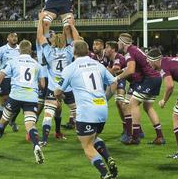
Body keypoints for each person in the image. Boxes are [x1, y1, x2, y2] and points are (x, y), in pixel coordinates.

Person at [54, 40, 119, 179]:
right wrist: (105, 99)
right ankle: (109, 159)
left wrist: (62, 97)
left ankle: (104, 173)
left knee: (87, 145)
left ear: (73, 52)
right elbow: (114, 82)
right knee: (93, 137)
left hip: (86, 111)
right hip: (102, 109)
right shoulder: (98, 65)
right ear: (87, 50)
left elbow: (57, 92)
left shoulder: (71, 68)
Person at [0, 40, 47, 164]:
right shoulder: (36, 64)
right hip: (31, 98)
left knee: (2, 122)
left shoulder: (13, 61)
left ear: (19, 50)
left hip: (15, 97)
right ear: (30, 51)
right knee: (30, 125)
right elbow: (43, 85)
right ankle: (36, 146)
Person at [113, 33, 165, 145]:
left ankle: (135, 136)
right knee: (148, 107)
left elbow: (131, 70)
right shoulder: (135, 49)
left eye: (118, 41)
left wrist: (117, 77)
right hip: (155, 78)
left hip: (148, 80)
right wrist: (123, 71)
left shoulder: (130, 52)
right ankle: (159, 136)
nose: (117, 43)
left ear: (122, 42)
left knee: (132, 104)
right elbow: (134, 67)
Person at [36, 13, 76, 145]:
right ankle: (87, 135)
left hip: (53, 88)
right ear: (64, 41)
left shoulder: (48, 52)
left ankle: (44, 140)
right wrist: (71, 25)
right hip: (68, 88)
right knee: (78, 112)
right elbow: (76, 39)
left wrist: (41, 18)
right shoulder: (69, 51)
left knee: (48, 114)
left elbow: (40, 37)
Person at [0, 32, 20, 132]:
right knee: (3, 100)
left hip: (17, 78)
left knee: (18, 102)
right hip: (5, 78)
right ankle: (0, 125)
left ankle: (12, 120)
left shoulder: (21, 49)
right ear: (8, 38)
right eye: (12, 36)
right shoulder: (1, 49)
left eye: (16, 36)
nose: (14, 38)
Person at [105, 41, 130, 140]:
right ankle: (129, 128)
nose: (105, 49)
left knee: (120, 102)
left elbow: (115, 69)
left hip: (121, 79)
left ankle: (128, 129)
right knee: (119, 103)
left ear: (113, 49)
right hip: (116, 80)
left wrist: (104, 69)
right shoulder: (110, 58)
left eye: (107, 47)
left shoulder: (118, 58)